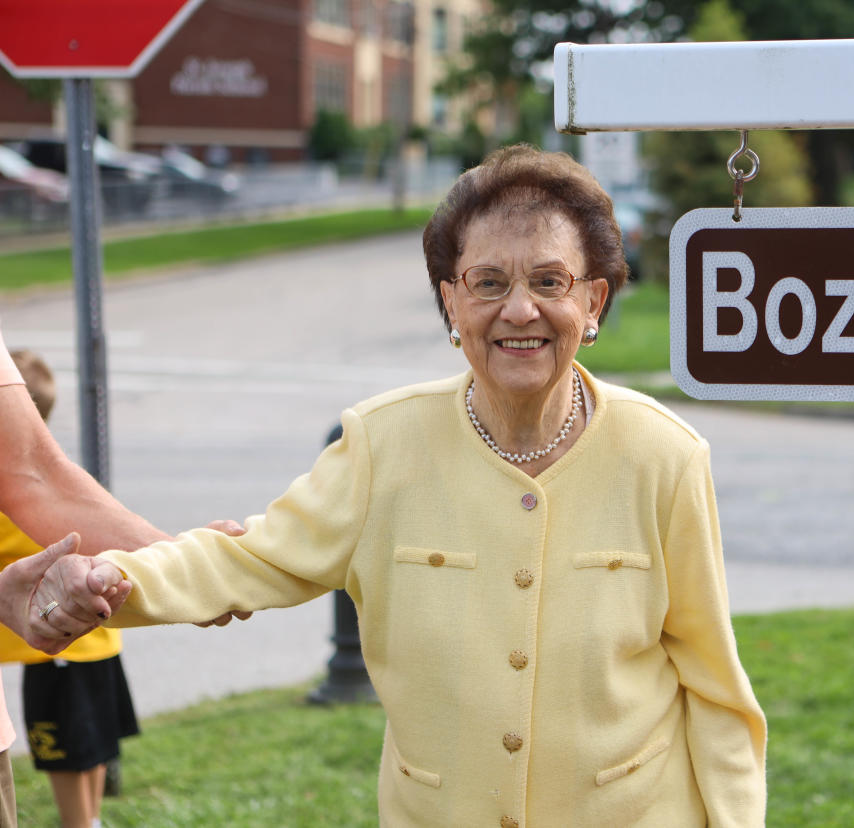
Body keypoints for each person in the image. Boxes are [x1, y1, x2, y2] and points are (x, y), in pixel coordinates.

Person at [42, 145, 767, 826]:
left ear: (595, 302)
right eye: (489, 283)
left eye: (550, 281)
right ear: (452, 304)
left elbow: (715, 691)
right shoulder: (381, 447)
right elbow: (246, 558)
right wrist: (110, 578)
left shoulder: (665, 456)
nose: (520, 310)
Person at [0, 324, 246, 828]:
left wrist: (185, 567)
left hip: (73, 651)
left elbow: (34, 475)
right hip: (75, 653)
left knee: (79, 752)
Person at [0, 349, 141, 828]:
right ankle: (91, 820)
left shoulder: (16, 500)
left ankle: (79, 824)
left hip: (56, 648)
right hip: (98, 642)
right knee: (93, 745)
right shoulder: (64, 479)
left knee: (65, 752)